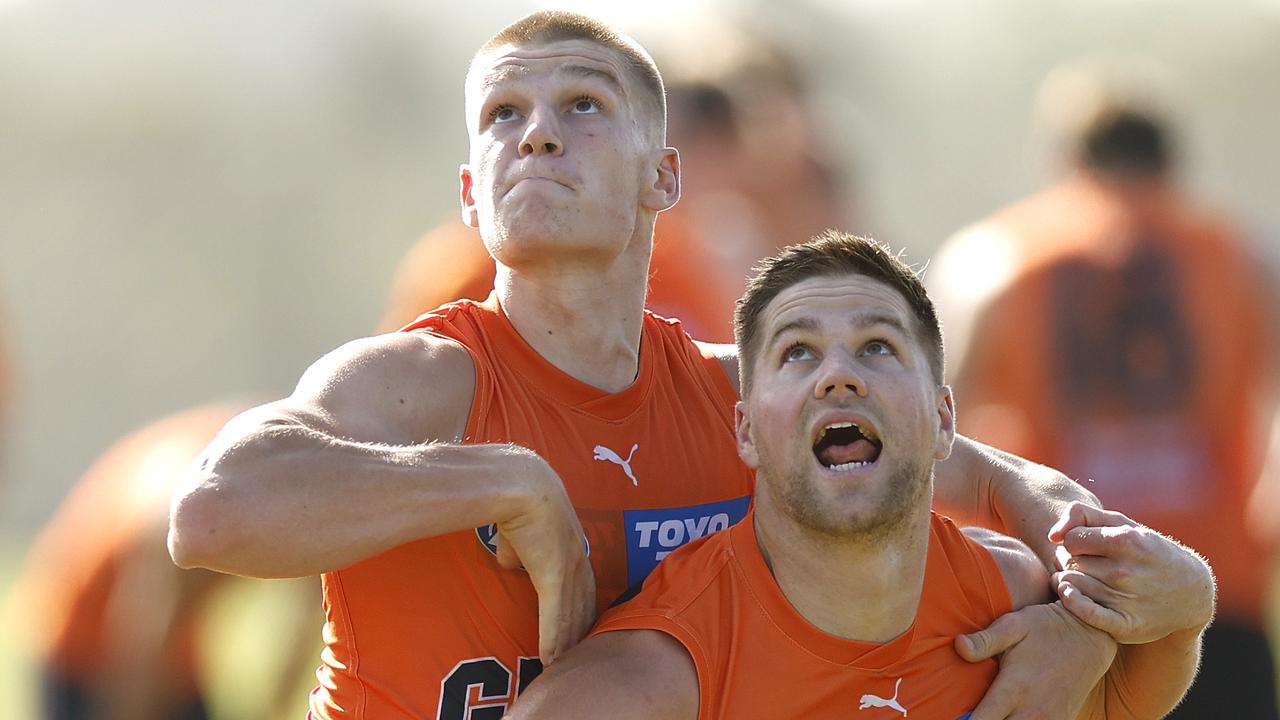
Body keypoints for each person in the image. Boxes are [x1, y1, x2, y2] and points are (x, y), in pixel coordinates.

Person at [170, 13, 1155, 719]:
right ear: (473, 194)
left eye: (583, 105)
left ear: (663, 176)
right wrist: (513, 486)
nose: (538, 131)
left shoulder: (736, 397)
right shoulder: (421, 379)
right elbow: (212, 513)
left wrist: (1081, 621)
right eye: (503, 114)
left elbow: (991, 479)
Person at [506, 232, 1216, 720]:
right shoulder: (644, 682)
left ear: (943, 422)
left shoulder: (1018, 612)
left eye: (877, 346)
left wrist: (1178, 604)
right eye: (797, 353)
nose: (838, 375)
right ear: (746, 432)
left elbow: (1143, 680)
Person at [929, 62, 1280, 717]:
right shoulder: (1242, 255)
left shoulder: (997, 260)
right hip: (1215, 588)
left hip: (1065, 592)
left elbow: (930, 424)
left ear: (1065, 159)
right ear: (1170, 160)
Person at [11, 401, 319, 720]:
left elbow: (302, 628)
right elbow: (140, 658)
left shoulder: (302, 487)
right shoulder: (191, 518)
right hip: (84, 648)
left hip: (172, 647)